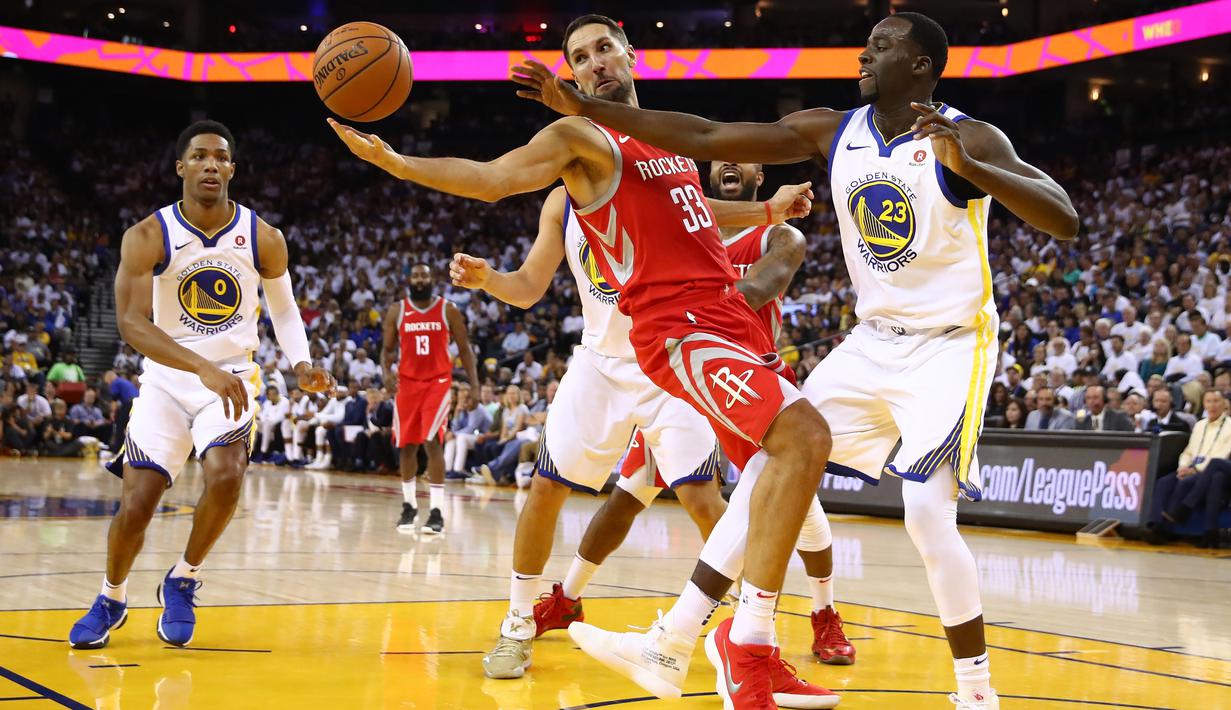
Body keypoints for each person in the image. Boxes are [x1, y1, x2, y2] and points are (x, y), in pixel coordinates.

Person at [511, 10, 1080, 708]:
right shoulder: (831, 129)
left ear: (922, 67)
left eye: (880, 47)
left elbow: (1062, 216)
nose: (862, 56)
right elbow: (703, 135)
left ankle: (974, 692)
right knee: (770, 465)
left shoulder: (968, 134)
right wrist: (584, 106)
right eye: (866, 43)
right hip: (872, 340)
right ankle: (688, 636)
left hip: (951, 343)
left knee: (925, 516)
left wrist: (971, 168)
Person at [330, 14, 829, 706]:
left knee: (712, 493)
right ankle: (521, 617)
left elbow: (697, 212)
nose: (593, 62)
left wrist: (767, 209)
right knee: (550, 485)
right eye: (578, 56)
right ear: (569, 74)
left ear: (628, 54)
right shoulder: (574, 145)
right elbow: (493, 182)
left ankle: (717, 633)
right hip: (620, 351)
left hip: (685, 338)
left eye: (603, 48)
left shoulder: (666, 137)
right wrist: (396, 163)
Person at [68, 120, 333, 651]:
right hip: (168, 380)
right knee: (138, 502)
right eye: (200, 156)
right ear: (181, 167)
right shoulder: (147, 235)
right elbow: (131, 324)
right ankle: (111, 596)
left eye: (220, 157)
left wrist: (302, 364)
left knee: (227, 474)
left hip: (232, 375)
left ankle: (183, 577)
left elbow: (283, 309)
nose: (211, 164)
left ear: (232, 169)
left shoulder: (263, 236)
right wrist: (198, 368)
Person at [381, 264, 478, 535]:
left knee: (433, 441)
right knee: (407, 446)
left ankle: (436, 511)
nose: (420, 280)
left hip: (437, 382)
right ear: (409, 280)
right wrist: (385, 373)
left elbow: (465, 349)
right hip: (407, 384)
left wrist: (475, 385)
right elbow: (386, 351)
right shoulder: (396, 311)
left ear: (432, 280)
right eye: (415, 276)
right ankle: (409, 506)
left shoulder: (448, 309)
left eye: (424, 275)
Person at [1144, 390, 1231, 546]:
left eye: (1216, 401)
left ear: (1224, 404)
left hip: (1206, 471)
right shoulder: (1199, 425)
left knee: (1187, 483)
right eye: (1209, 401)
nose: (1212, 405)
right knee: (1163, 482)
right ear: (1204, 404)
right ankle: (1155, 525)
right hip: (1191, 467)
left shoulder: (1230, 426)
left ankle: (1171, 523)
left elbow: (1223, 454)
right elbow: (1188, 451)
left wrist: (1196, 469)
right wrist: (1183, 467)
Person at [253, 385, 291, 464]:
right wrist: (264, 419)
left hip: (278, 426)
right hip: (265, 423)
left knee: (267, 424)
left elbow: (279, 417)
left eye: (274, 394)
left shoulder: (285, 402)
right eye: (270, 394)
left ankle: (263, 452)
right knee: (253, 424)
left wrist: (267, 419)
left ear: (277, 393)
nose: (273, 396)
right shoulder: (267, 402)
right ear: (267, 395)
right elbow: (262, 415)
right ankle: (252, 451)